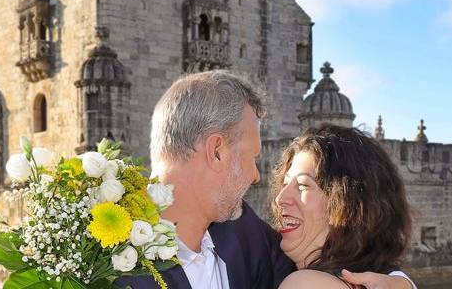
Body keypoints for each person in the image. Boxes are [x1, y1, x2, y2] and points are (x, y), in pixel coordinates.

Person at [115, 70, 412, 288]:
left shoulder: (247, 235)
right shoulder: (95, 253)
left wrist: (400, 283)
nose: (257, 176)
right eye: (252, 157)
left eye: (303, 184)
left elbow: (353, 257)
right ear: (217, 151)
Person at [274, 125, 414, 289]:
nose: (280, 198)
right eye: (285, 183)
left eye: (303, 185)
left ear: (348, 204)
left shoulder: (305, 284)